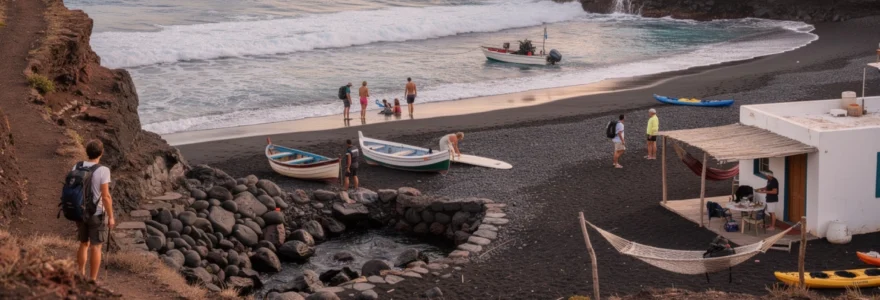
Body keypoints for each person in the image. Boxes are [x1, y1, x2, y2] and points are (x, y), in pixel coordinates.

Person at [75, 140, 115, 281]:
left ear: (87, 152)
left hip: (80, 212)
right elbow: (106, 196)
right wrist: (111, 216)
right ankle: (92, 280)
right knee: (96, 247)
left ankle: (81, 275)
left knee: (83, 243)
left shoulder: (77, 166)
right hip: (96, 214)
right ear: (101, 153)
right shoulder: (103, 170)